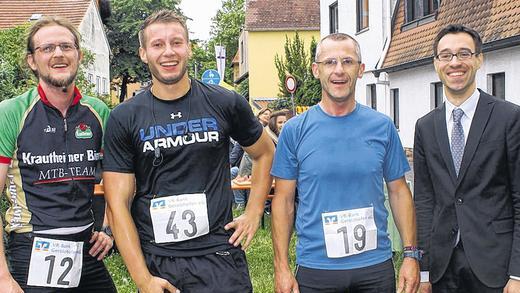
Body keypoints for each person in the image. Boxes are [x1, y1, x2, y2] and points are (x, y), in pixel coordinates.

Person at [102, 9, 275, 293]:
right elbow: (117, 204)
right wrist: (142, 279)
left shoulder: (225, 101)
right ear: (144, 53)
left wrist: (255, 211)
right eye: (157, 44)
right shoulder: (124, 117)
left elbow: (264, 152)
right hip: (159, 257)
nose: (168, 52)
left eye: (176, 42)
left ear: (189, 48)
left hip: (219, 253)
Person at [271, 33, 420, 293]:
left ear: (360, 70)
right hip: (317, 267)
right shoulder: (294, 130)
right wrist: (281, 266)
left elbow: (399, 192)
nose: (338, 70)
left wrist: (410, 254)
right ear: (316, 70)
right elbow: (283, 201)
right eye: (330, 62)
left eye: (347, 61)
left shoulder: (382, 127)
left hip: (375, 265)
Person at [0, 16, 115, 292]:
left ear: (79, 55)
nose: (59, 54)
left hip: (87, 248)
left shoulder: (98, 112)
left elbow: (118, 183)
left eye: (66, 46)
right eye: (47, 48)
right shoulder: (12, 112)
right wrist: (3, 278)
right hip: (31, 247)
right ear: (31, 60)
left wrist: (109, 230)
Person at [414, 24, 520, 293]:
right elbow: (425, 202)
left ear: (478, 59)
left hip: (495, 266)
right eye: (446, 55)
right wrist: (424, 270)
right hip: (442, 267)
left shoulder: (509, 118)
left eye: (463, 53)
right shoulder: (425, 126)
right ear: (436, 64)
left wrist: (517, 274)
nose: (455, 63)